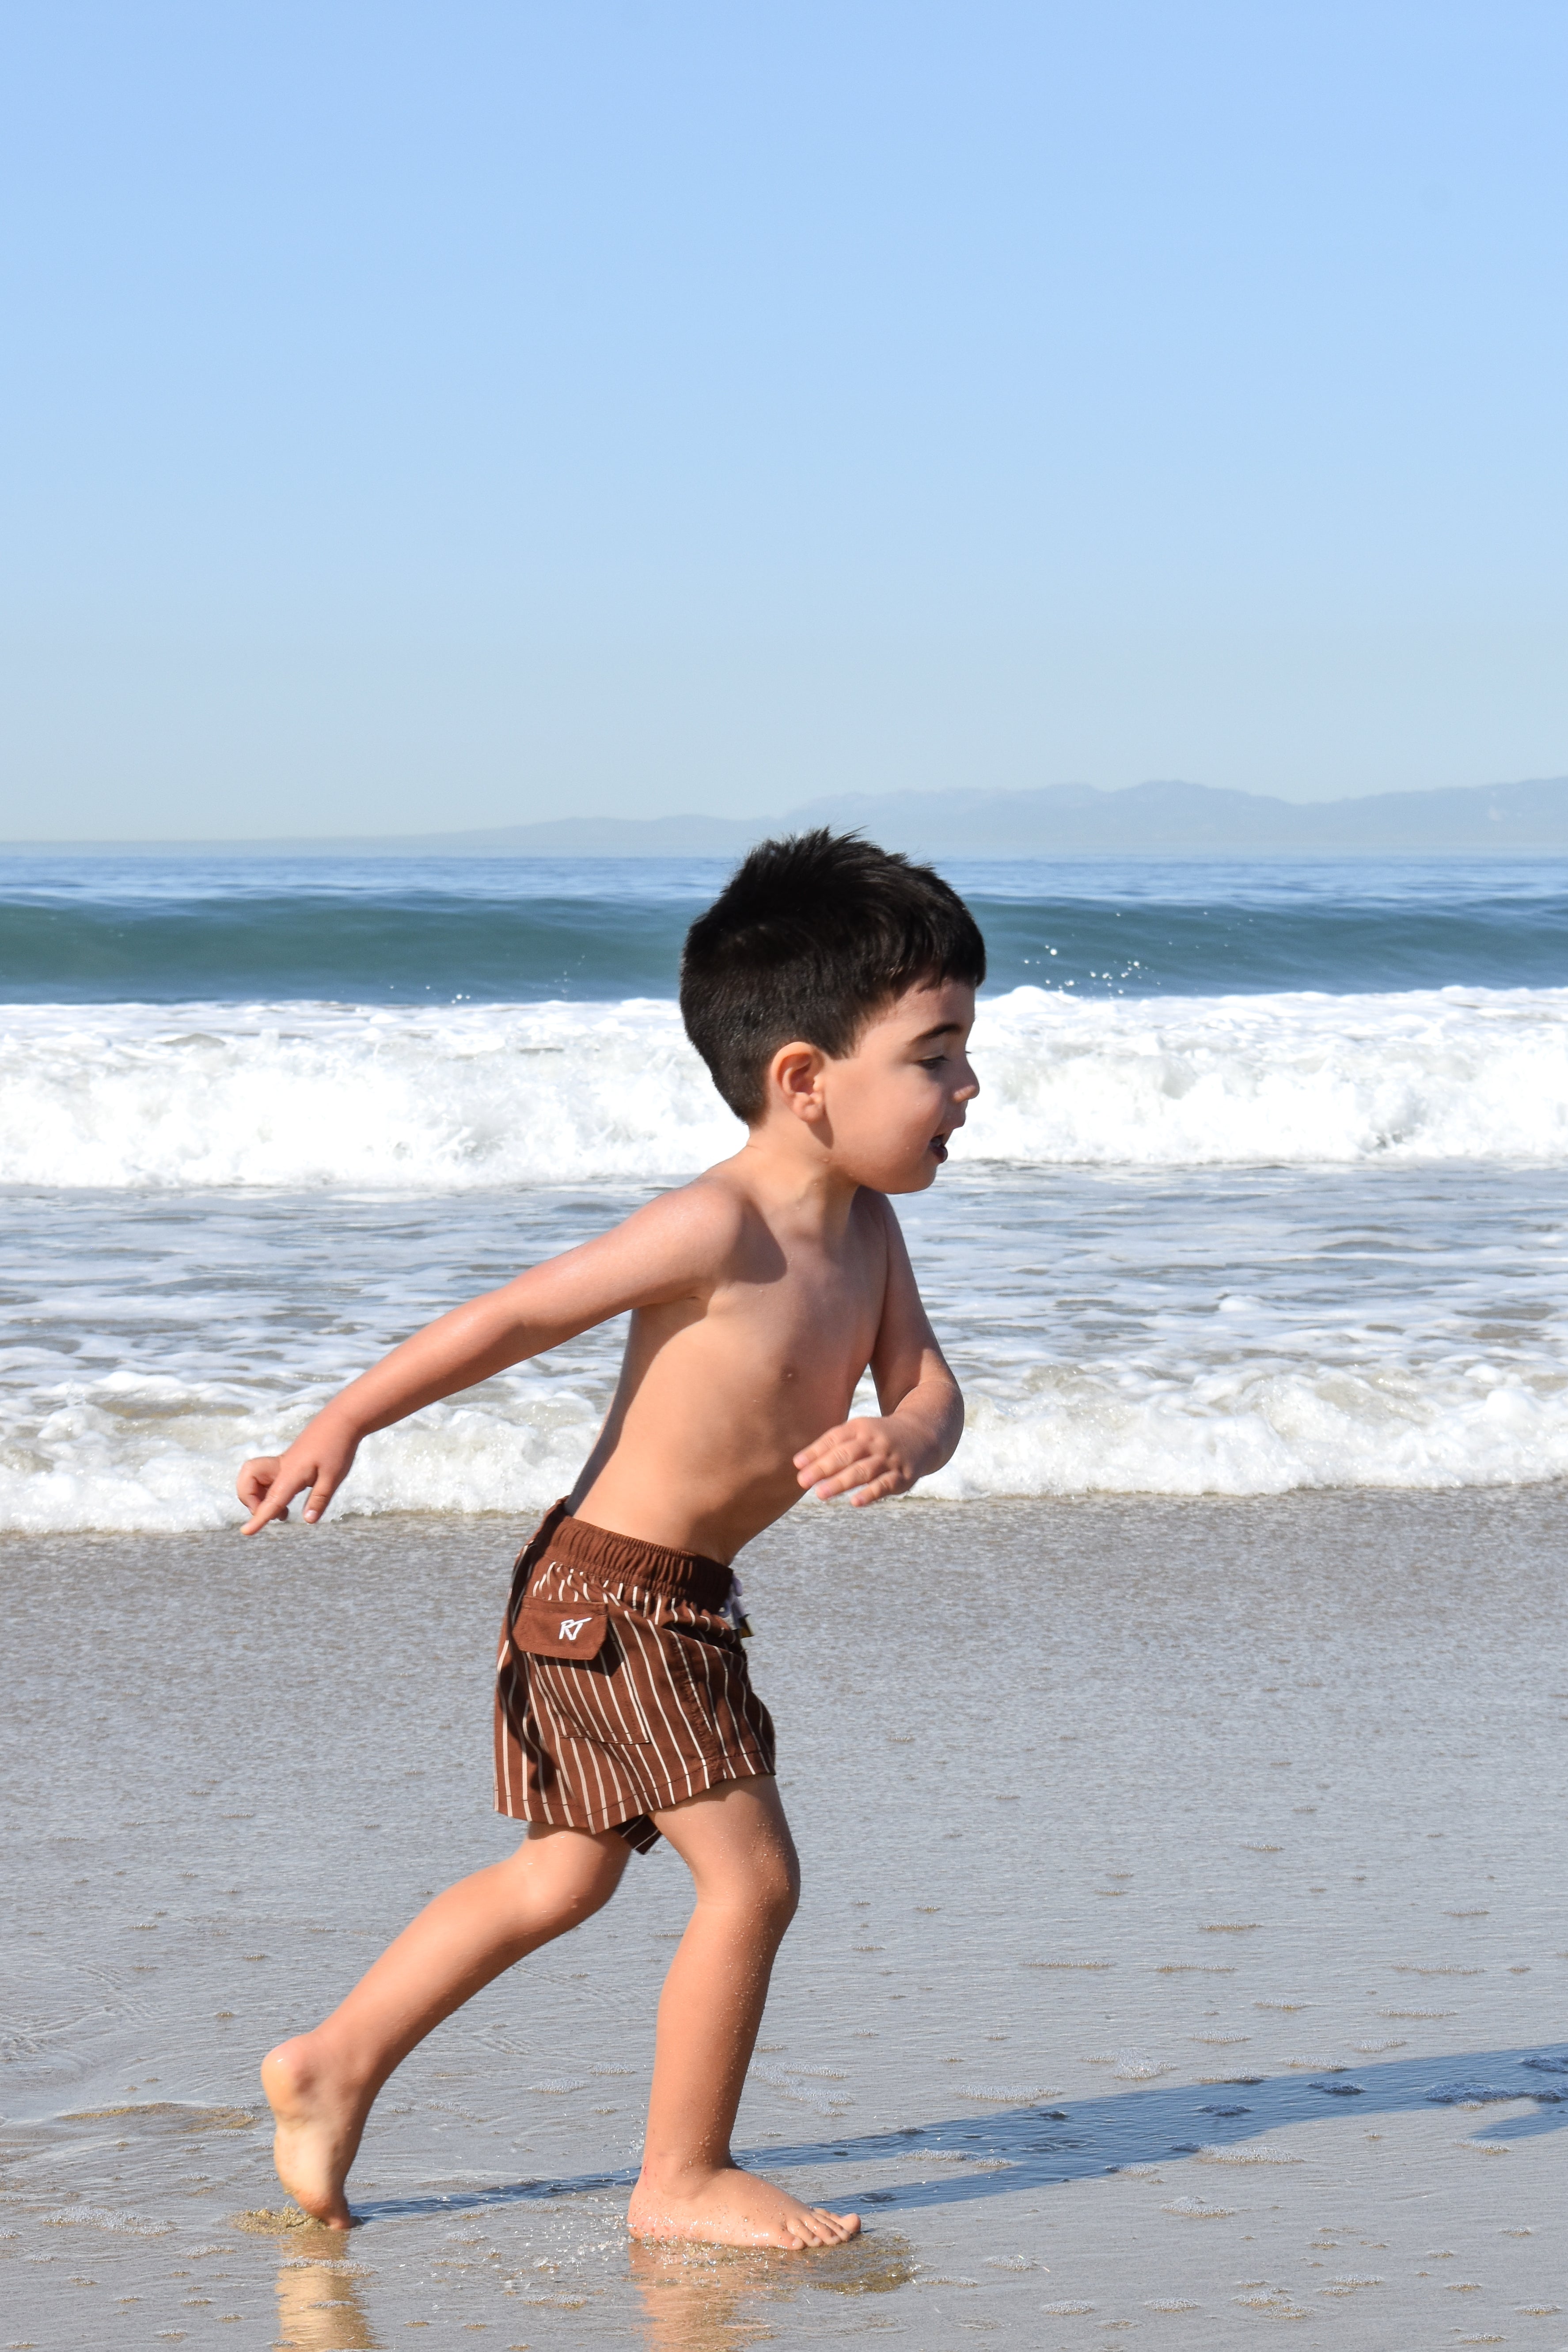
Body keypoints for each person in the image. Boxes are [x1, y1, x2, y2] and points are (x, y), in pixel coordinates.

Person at [236, 829, 984, 2248]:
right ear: (806, 1079)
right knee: (753, 1879)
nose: (968, 1086)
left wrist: (909, 1436)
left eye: (964, 1053)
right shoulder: (718, 1224)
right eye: (934, 1055)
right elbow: (517, 1314)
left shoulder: (872, 1234)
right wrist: (347, 1419)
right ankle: (681, 2177)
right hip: (611, 1601)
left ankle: (331, 2064)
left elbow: (932, 1388)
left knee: (561, 1875)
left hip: (667, 1600)